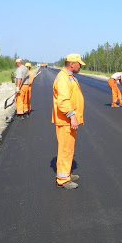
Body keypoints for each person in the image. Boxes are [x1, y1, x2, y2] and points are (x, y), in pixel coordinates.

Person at [52, 53, 85, 189]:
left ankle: (67, 173)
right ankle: (63, 179)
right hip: (65, 120)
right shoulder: (63, 78)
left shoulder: (69, 76)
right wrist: (72, 116)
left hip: (68, 120)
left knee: (69, 148)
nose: (80, 66)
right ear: (72, 64)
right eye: (79, 64)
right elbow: (63, 101)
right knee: (65, 148)